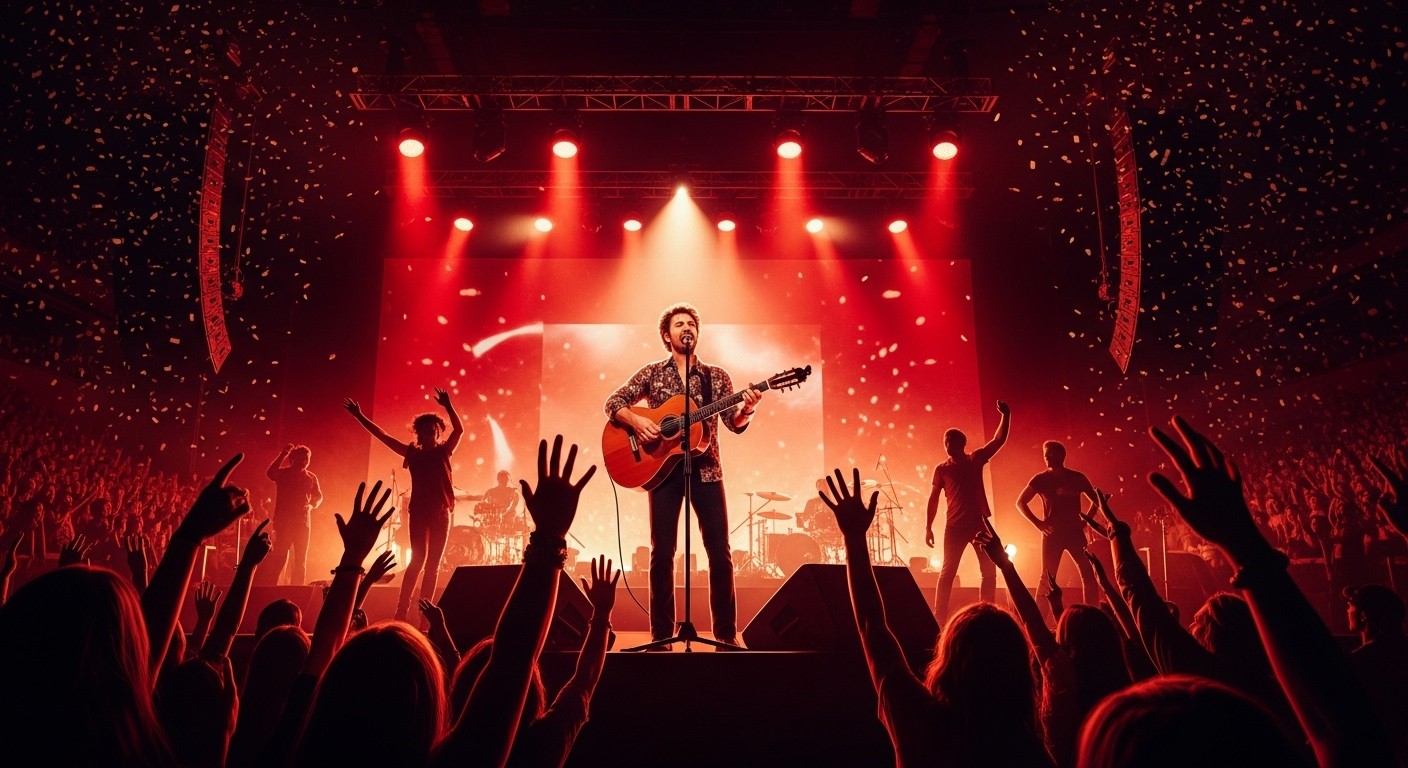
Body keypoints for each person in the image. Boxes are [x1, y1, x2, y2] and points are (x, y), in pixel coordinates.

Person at [820, 467, 1054, 768]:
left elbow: (872, 627)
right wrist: (1005, 566)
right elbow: (1036, 628)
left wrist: (854, 538)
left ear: (949, 659)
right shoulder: (1032, 753)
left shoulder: (919, 721)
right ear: (1020, 672)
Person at [603, 302, 760, 647]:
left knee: (720, 552)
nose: (686, 328)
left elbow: (733, 424)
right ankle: (661, 636)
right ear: (666, 335)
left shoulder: (716, 376)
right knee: (662, 553)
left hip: (707, 471)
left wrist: (747, 409)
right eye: (679, 324)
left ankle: (725, 635)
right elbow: (613, 402)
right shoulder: (652, 373)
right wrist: (638, 422)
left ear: (697, 333)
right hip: (663, 472)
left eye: (691, 324)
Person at [345, 387, 464, 620]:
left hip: (441, 513)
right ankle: (401, 610)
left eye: (434, 429)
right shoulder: (413, 454)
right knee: (417, 561)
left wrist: (449, 407)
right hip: (419, 512)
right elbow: (384, 437)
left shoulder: (444, 452)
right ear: (419, 434)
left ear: (438, 432)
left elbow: (459, 430)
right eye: (427, 430)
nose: (431, 433)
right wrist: (360, 416)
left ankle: (424, 614)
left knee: (433, 565)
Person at [927, 399, 1010, 623]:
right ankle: (939, 616)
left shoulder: (975, 460)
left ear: (962, 443)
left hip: (978, 525)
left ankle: (986, 614)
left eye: (951, 441)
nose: (947, 444)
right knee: (947, 572)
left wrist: (1006, 416)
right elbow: (933, 499)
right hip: (954, 527)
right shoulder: (941, 469)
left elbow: (998, 440)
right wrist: (928, 527)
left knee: (989, 571)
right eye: (945, 441)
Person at [1016, 440, 1099, 608]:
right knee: (1048, 577)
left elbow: (1096, 500)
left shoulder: (1077, 477)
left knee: (1088, 573)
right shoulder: (1040, 479)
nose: (1046, 457)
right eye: (1045, 454)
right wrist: (1038, 524)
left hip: (1075, 532)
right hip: (1053, 534)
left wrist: (1086, 521)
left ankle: (1092, 611)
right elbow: (1020, 502)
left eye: (1050, 453)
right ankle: (1040, 616)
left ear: (1061, 455)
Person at [1342, 583, 1408, 764]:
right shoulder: (1401, 651)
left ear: (1363, 615)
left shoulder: (1359, 661)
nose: (1347, 610)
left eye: (1351, 606)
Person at [260, 444, 323, 586]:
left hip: (303, 524)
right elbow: (270, 473)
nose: (305, 461)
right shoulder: (284, 474)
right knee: (280, 558)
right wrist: (283, 454)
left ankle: (297, 590)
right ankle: (272, 587)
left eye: (307, 458)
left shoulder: (311, 477)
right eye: (302, 458)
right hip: (284, 523)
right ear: (293, 459)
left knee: (300, 560)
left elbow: (318, 496)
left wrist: (311, 505)